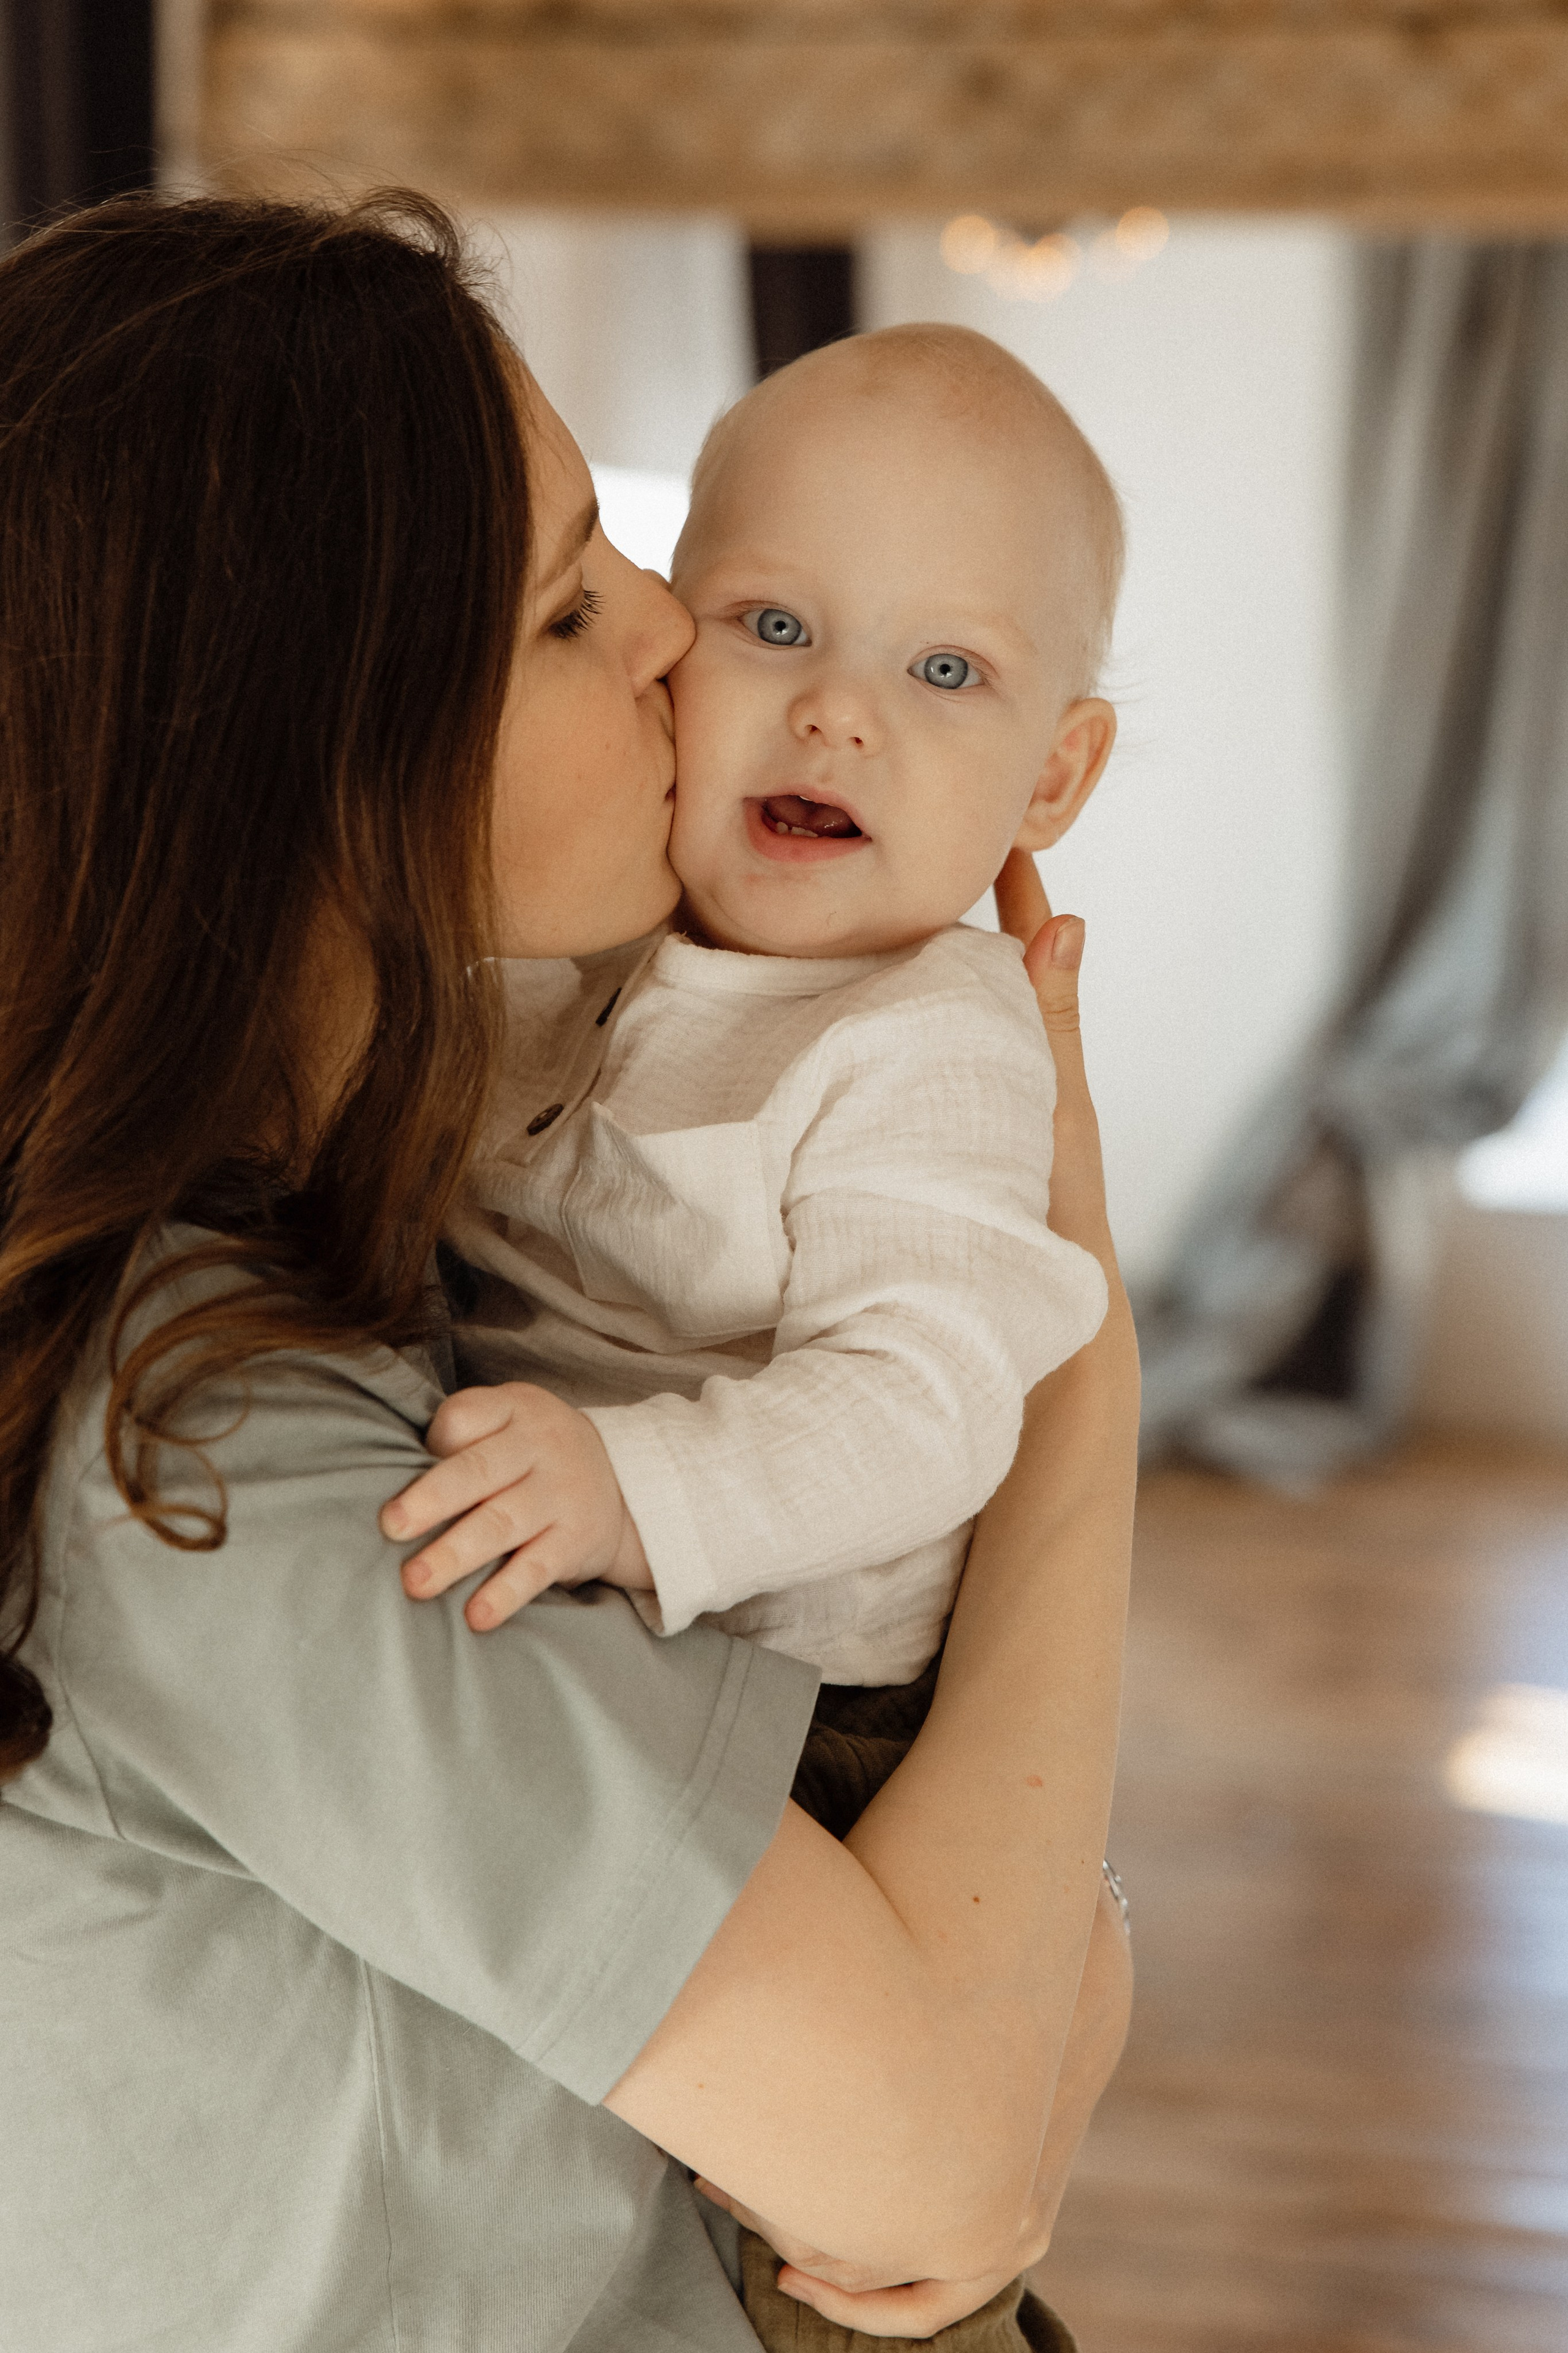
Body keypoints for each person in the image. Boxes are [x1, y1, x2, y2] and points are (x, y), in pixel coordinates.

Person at [0, 191, 1137, 2350]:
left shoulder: (354, 1213)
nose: (672, 637)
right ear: (311, 769)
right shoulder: (195, 1444)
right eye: (564, 607)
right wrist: (1086, 1334)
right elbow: (933, 2169)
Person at [387, 325, 1120, 1705]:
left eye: (946, 670)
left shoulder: (924, 1034)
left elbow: (921, 1399)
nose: (837, 712)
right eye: (775, 627)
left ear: (1052, 776)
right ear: (669, 635)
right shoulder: (589, 919)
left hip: (793, 1697)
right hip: (553, 1589)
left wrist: (632, 1485)